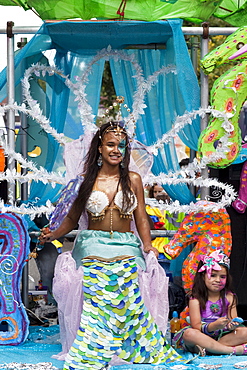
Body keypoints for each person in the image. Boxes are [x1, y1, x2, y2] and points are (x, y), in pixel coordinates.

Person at [39, 122, 181, 369]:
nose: (117, 150)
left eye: (122, 146)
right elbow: (72, 218)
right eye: (111, 145)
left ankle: (127, 343)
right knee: (97, 285)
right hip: (93, 244)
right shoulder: (85, 180)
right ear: (100, 148)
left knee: (127, 282)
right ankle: (96, 347)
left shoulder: (134, 179)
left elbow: (142, 217)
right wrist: (52, 234)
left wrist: (148, 245)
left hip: (126, 246)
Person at [174, 250, 247, 356]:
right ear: (203, 276)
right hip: (202, 335)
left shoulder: (230, 297)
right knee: (189, 334)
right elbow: (196, 326)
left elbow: (233, 321)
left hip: (224, 336)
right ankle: (231, 350)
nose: (218, 280)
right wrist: (213, 326)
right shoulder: (195, 299)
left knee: (244, 331)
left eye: (222, 277)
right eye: (213, 275)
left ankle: (210, 348)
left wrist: (232, 325)